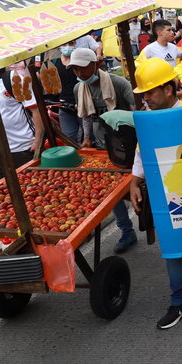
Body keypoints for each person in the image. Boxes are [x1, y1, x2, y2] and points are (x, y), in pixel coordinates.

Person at [129, 58, 182, 329]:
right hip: (169, 195)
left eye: (150, 92)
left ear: (169, 89)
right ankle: (181, 302)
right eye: (144, 94)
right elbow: (142, 154)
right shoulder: (148, 121)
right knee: (174, 249)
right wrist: (133, 182)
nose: (147, 98)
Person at [68, 48, 138, 254]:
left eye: (83, 69)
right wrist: (87, 137)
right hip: (100, 144)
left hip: (127, 144)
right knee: (110, 192)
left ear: (96, 65)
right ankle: (127, 231)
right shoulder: (78, 88)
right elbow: (86, 116)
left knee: (141, 187)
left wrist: (119, 118)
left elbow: (138, 111)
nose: (80, 74)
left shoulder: (118, 84)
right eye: (76, 70)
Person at [0, 61, 44, 185]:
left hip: (22, 146)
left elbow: (36, 110)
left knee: (28, 185)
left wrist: (38, 141)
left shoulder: (13, 78)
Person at [53, 41, 81, 143]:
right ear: (59, 47)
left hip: (83, 105)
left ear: (75, 44)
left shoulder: (80, 60)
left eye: (71, 44)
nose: (68, 47)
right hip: (64, 106)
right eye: (64, 45)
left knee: (89, 137)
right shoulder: (54, 63)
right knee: (69, 139)